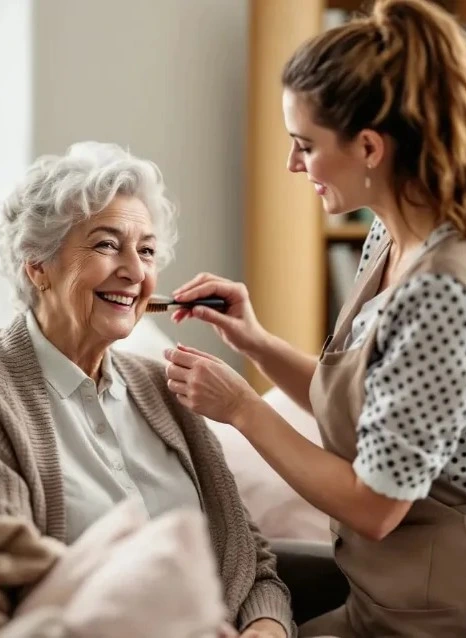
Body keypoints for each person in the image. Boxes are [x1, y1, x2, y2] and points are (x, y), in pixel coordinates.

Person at [0, 142, 294, 638]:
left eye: (147, 250)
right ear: (37, 266)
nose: (135, 271)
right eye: (107, 244)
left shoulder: (163, 387)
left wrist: (267, 627)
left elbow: (249, 559)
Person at [164, 0, 466, 636]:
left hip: (429, 610)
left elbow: (376, 505)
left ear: (368, 147)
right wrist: (258, 342)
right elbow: (360, 408)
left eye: (304, 145)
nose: (292, 167)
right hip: (379, 582)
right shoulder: (387, 237)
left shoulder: (443, 291)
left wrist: (244, 409)